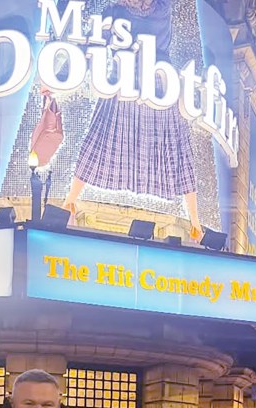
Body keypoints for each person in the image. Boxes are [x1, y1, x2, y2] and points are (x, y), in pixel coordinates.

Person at [63, 0, 202, 240]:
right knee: (102, 138)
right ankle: (69, 202)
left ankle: (196, 222)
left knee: (177, 149)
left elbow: (91, 47)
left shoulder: (147, 9)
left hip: (146, 84)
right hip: (140, 83)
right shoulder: (147, 9)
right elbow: (90, 47)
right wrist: (63, 75)